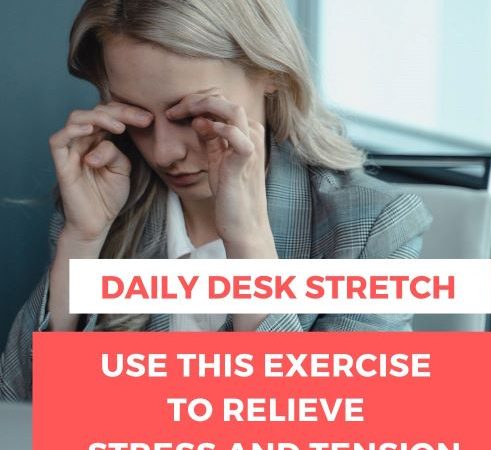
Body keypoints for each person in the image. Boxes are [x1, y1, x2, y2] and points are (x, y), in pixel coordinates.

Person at [0, 0, 432, 401]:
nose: (164, 152)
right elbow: (20, 410)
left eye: (190, 114)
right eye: (138, 116)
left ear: (273, 74)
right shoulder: (109, 202)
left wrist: (249, 242)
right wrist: (82, 240)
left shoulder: (372, 228)